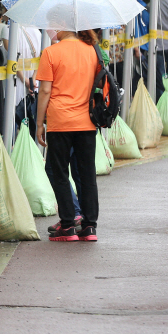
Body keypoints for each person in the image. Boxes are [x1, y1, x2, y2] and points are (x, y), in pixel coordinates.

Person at [35, 28, 100, 242]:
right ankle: (89, 226)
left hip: (60, 121)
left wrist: (39, 123)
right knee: (87, 174)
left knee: (60, 172)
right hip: (87, 122)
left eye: (54, 25)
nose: (51, 30)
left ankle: (68, 225)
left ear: (64, 26)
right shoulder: (92, 50)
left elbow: (45, 91)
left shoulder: (51, 52)